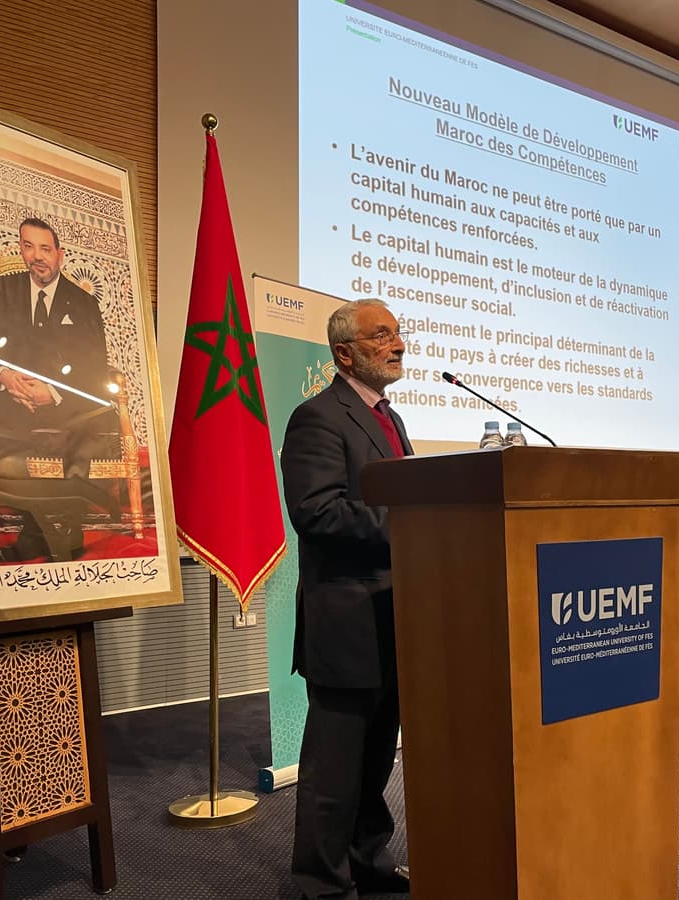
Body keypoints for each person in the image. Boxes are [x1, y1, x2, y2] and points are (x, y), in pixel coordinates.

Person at [281, 298, 413, 900]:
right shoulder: (317, 417)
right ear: (345, 352)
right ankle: (318, 883)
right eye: (381, 335)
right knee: (334, 769)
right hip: (347, 619)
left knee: (376, 757)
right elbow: (316, 511)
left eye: (397, 334)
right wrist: (412, 525)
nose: (398, 343)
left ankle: (367, 859)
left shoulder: (390, 417)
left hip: (395, 616)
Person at [0, 217, 117, 562]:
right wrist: (3, 375)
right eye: (28, 247)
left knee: (83, 424)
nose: (37, 256)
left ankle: (41, 535)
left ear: (59, 254)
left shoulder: (82, 302)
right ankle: (58, 533)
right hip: (14, 400)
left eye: (45, 248)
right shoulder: (6, 289)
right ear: (21, 250)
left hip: (66, 401)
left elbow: (95, 365)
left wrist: (54, 392)